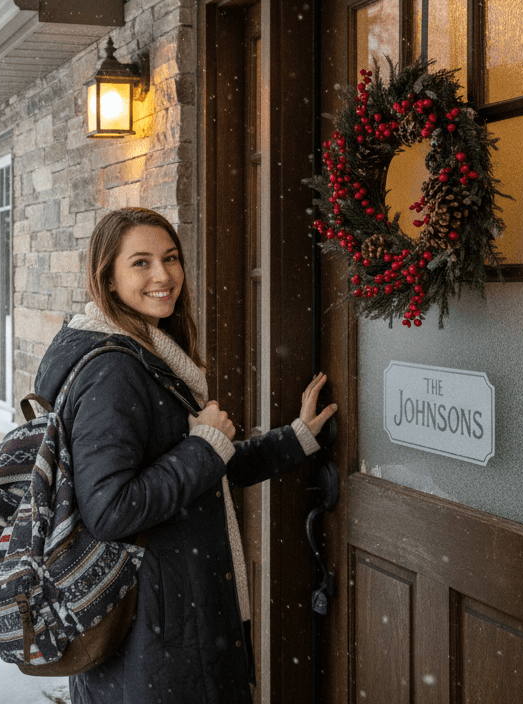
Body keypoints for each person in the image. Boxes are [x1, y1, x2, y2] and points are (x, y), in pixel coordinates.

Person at [33, 206, 337, 704]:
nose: (163, 275)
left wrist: (297, 437)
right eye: (141, 262)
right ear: (107, 279)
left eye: (170, 258)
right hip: (156, 633)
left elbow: (204, 469)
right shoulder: (114, 370)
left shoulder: (144, 353)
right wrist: (202, 446)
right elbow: (110, 509)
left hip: (161, 622)